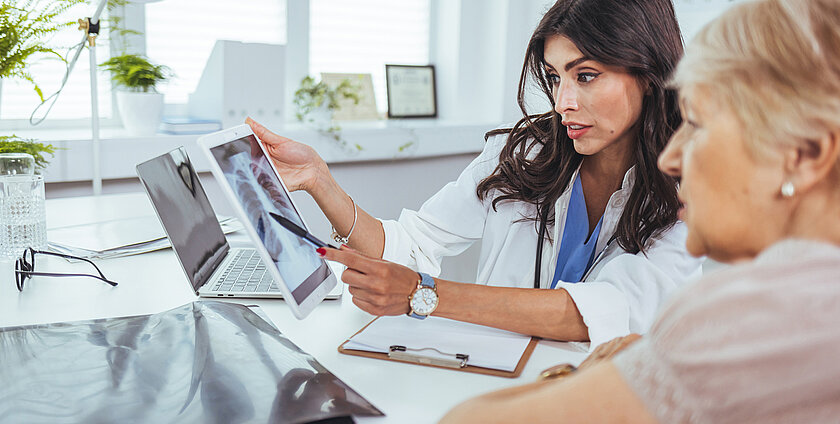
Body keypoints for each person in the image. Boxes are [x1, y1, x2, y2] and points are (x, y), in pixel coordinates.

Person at [441, 0, 840, 421]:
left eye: (698, 124)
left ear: (806, 154)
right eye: (556, 78)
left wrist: (601, 377)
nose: (673, 158)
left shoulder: (753, 318)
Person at [249, 0, 702, 347]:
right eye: (554, 76)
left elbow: (602, 312)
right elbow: (412, 246)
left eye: (585, 76)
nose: (563, 101)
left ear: (648, 73)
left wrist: (424, 295)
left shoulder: (693, 189)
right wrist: (319, 180)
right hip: (490, 379)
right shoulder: (523, 154)